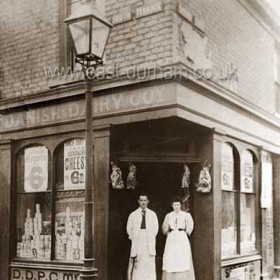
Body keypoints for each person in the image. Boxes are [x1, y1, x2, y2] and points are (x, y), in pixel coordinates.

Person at [126, 193, 159, 280]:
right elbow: (129, 228)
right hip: (138, 240)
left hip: (149, 240)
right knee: (138, 262)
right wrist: (134, 237)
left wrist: (149, 236)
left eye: (145, 200)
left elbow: (156, 229)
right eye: (141, 200)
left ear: (148, 201)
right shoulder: (133, 215)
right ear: (138, 202)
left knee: (149, 262)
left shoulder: (152, 214)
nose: (143, 202)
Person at [162, 197, 195, 280]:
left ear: (180, 205)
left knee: (182, 256)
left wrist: (184, 233)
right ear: (172, 206)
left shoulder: (186, 215)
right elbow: (164, 228)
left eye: (178, 205)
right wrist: (169, 233)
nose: (176, 207)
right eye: (174, 205)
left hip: (182, 237)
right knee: (171, 256)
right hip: (172, 238)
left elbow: (190, 226)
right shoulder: (169, 215)